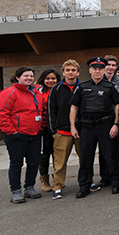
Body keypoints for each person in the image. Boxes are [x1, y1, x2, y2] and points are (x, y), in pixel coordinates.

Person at [70, 57, 119, 198]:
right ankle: (84, 186)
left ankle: (115, 183)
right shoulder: (81, 87)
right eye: (95, 68)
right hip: (86, 127)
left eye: (101, 68)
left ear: (105, 70)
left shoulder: (111, 87)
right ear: (90, 70)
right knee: (86, 158)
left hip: (105, 125)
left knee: (110, 155)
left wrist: (116, 124)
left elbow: (118, 106)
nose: (98, 71)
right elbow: (74, 107)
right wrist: (72, 127)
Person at [0, 67, 45, 203]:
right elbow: (1, 113)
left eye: (31, 76)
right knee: (16, 163)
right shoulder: (9, 93)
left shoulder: (36, 93)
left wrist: (41, 127)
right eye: (26, 76)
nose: (29, 78)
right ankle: (16, 191)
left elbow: (41, 111)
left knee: (34, 162)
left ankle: (29, 187)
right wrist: (11, 131)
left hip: (35, 134)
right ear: (17, 77)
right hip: (17, 136)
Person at [47, 60, 82, 199]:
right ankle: (57, 186)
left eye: (73, 70)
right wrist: (53, 131)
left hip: (81, 131)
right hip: (62, 131)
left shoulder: (84, 87)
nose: (70, 72)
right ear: (63, 72)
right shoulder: (56, 89)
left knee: (84, 159)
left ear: (78, 72)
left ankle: (87, 182)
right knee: (60, 162)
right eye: (68, 70)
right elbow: (51, 111)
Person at [35, 69, 60, 193]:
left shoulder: (60, 90)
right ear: (43, 80)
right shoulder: (38, 92)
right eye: (48, 78)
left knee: (58, 155)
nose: (51, 81)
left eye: (53, 78)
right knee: (44, 156)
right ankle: (44, 180)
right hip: (43, 129)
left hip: (57, 128)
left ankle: (57, 180)